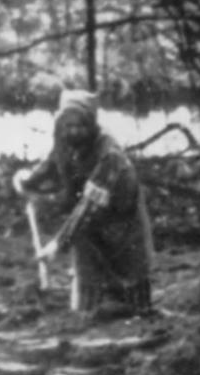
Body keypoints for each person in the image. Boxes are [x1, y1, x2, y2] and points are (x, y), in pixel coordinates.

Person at [13, 89, 154, 318]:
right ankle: (86, 317)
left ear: (91, 124)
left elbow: (88, 207)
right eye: (68, 125)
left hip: (122, 225)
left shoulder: (109, 155)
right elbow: (53, 163)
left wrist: (56, 245)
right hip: (89, 227)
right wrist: (28, 180)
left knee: (133, 294)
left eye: (80, 126)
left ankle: (140, 320)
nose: (73, 131)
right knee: (87, 292)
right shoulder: (64, 139)